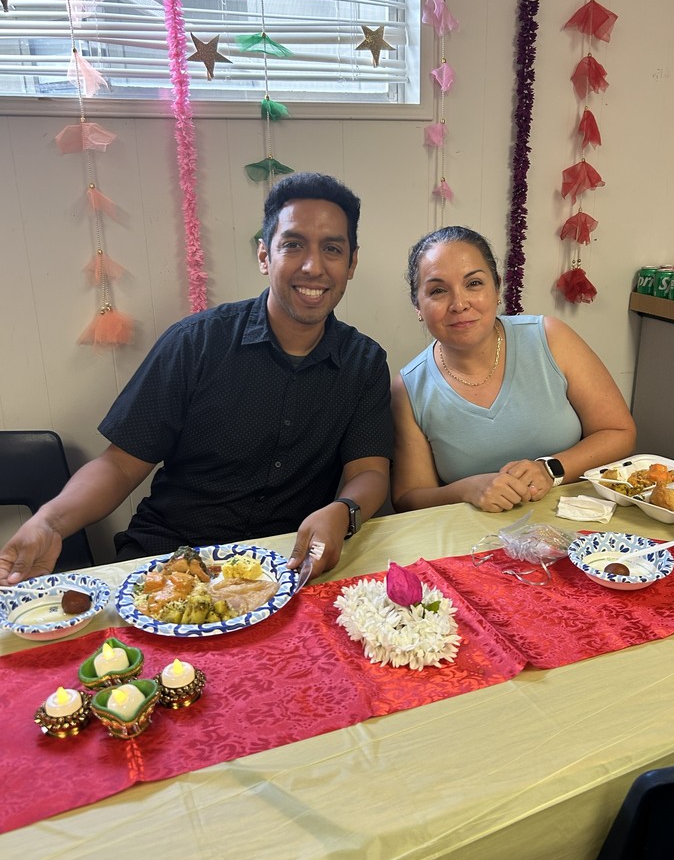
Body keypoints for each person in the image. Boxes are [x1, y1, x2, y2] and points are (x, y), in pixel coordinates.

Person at [0, 173, 393, 584]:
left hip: (285, 565)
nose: (313, 266)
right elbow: (119, 465)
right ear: (265, 256)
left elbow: (369, 472)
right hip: (170, 558)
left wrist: (344, 510)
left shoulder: (363, 362)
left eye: (332, 249)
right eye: (293, 245)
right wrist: (50, 522)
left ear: (351, 264)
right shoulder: (197, 343)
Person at [391, 225, 636, 513]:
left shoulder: (551, 338)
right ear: (417, 305)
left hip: (578, 523)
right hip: (476, 544)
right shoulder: (408, 388)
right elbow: (409, 498)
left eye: (473, 284)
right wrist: (467, 490)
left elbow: (619, 431)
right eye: (438, 290)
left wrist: (550, 469)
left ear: (497, 288)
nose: (459, 304)